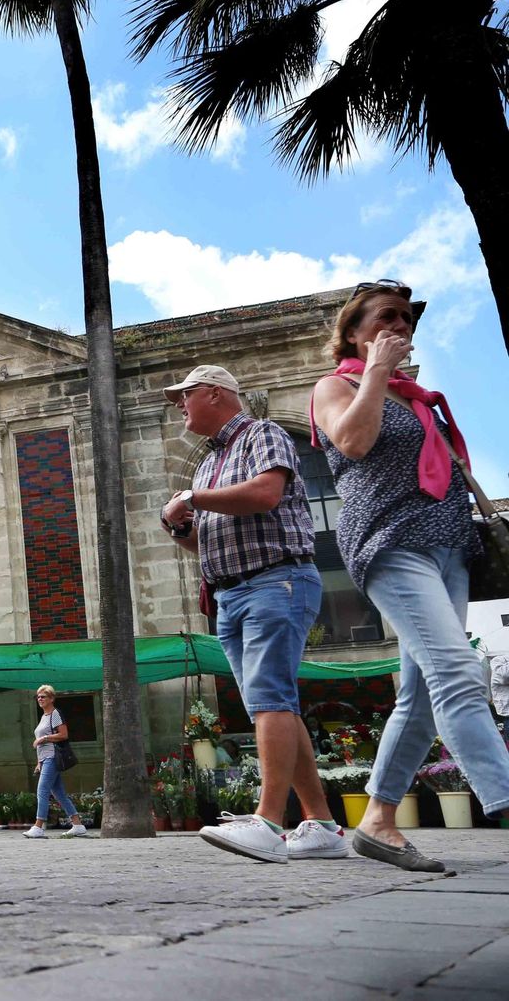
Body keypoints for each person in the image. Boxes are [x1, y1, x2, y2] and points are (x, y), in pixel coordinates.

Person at [310, 280, 509, 871]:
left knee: (421, 696)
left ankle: (376, 821)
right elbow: (351, 439)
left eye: (407, 319)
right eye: (386, 317)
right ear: (353, 331)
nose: (400, 326)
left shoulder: (421, 400)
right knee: (457, 670)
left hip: (450, 550)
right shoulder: (335, 385)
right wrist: (374, 372)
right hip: (391, 545)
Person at [161, 365, 347, 864]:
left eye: (185, 394)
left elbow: (266, 493)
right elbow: (205, 544)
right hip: (231, 593)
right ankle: (323, 824)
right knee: (274, 703)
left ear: (215, 393)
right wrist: (181, 527)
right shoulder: (205, 466)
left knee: (269, 699)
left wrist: (192, 499)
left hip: (275, 581)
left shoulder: (261, 434)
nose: (179, 404)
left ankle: (268, 823)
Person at [25, 686, 88, 838]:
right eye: (38, 697)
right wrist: (39, 762)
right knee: (58, 793)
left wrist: (43, 738)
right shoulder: (43, 716)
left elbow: (63, 734)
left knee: (42, 790)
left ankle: (38, 826)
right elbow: (42, 745)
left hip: (53, 757)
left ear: (51, 699)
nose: (40, 699)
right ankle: (78, 825)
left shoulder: (55, 714)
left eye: (43, 696)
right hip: (45, 758)